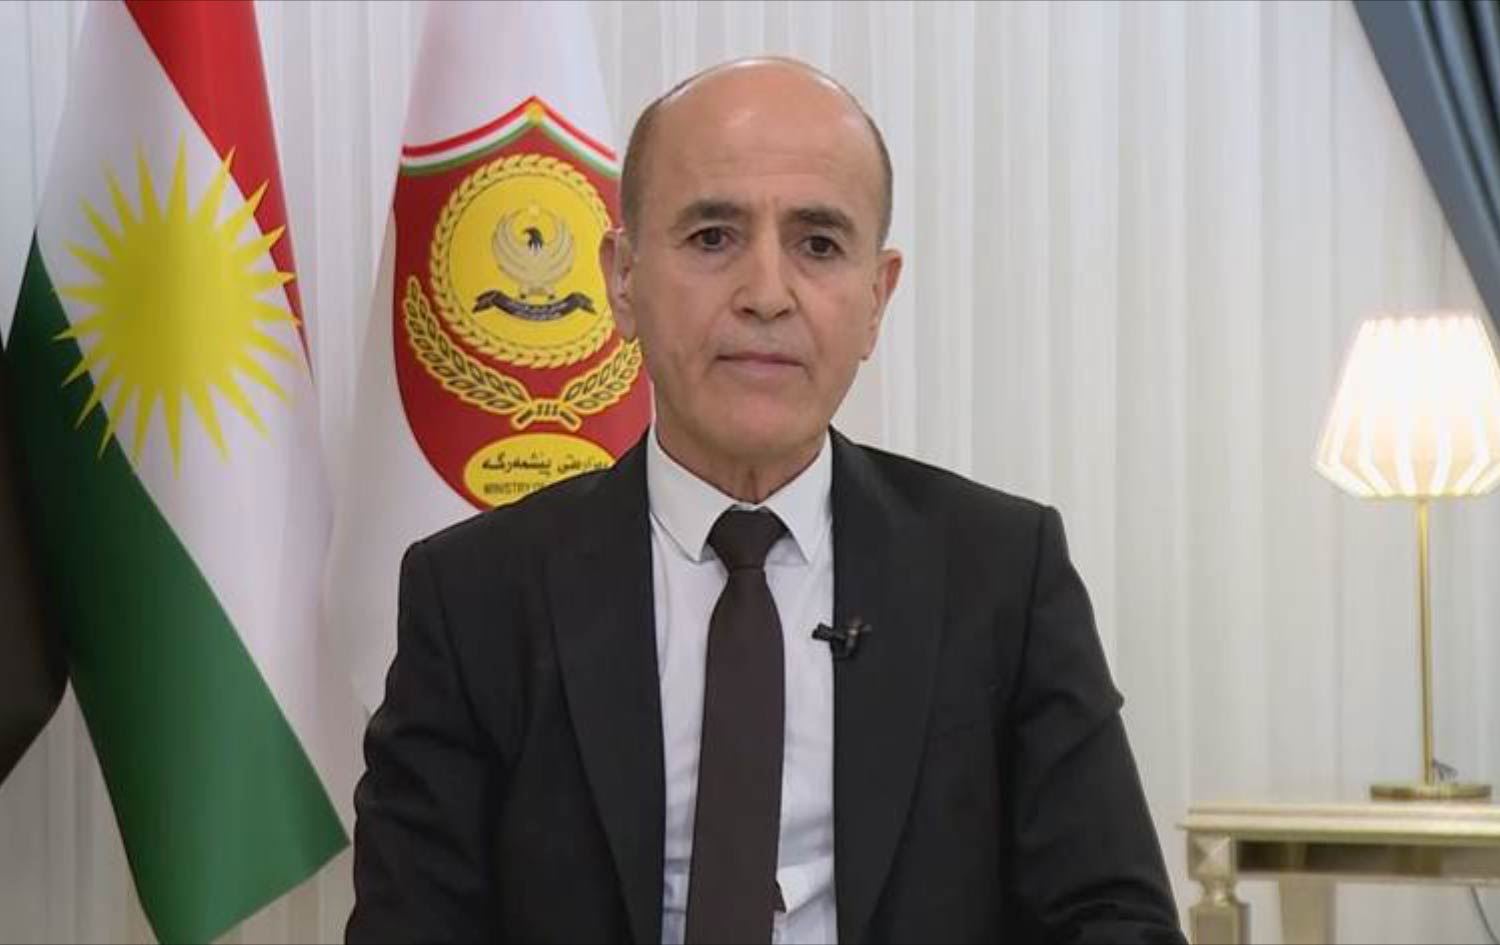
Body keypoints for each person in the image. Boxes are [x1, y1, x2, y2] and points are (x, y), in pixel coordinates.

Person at [347, 57, 1183, 945]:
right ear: (623, 277)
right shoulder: (474, 598)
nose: (767, 295)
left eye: (818, 245)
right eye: (713, 237)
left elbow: (1115, 922)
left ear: (876, 298)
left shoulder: (1003, 575)